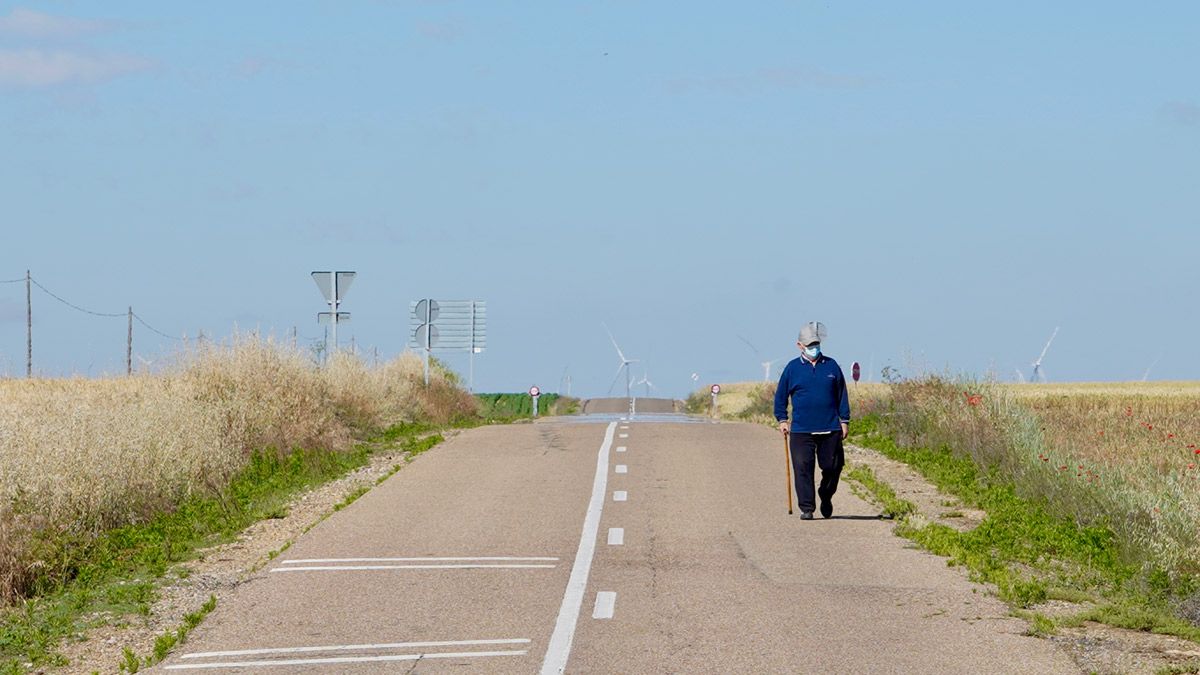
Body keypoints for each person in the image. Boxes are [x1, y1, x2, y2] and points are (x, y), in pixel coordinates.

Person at [773, 321, 850, 520]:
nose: (813, 348)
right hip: (801, 429)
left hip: (830, 426)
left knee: (833, 467)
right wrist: (782, 419)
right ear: (800, 345)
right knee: (803, 468)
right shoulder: (792, 369)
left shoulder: (831, 366)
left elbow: (842, 394)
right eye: (809, 345)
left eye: (815, 344)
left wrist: (845, 420)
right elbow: (780, 397)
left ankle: (826, 495)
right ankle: (807, 508)